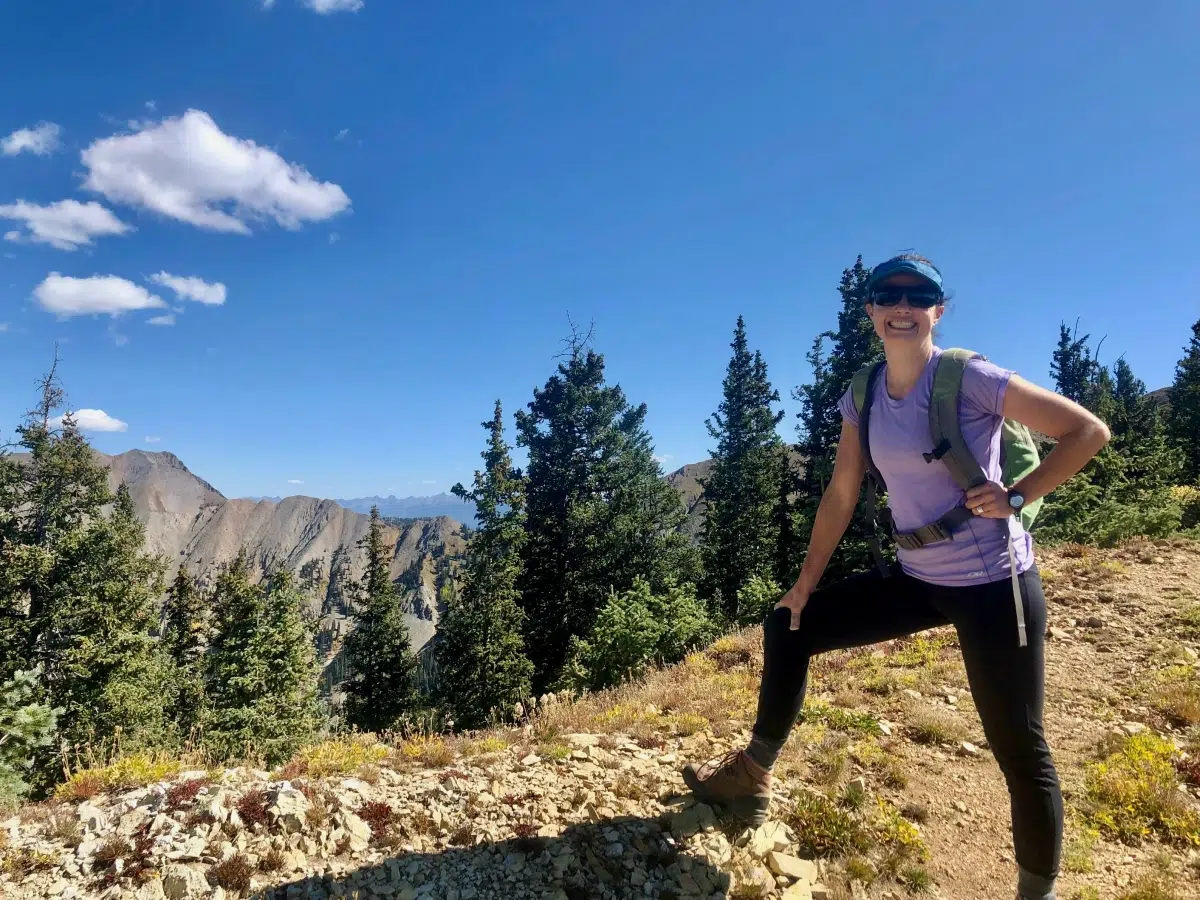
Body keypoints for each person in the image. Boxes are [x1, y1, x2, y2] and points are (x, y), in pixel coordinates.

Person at [681, 253, 1110, 900]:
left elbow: (1086, 431)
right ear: (871, 312)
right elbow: (841, 492)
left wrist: (1017, 497)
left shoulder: (971, 379)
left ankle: (1036, 893)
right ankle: (750, 779)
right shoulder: (863, 394)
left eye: (919, 296)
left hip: (996, 586)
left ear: (937, 310)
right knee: (789, 624)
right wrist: (804, 585)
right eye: (888, 296)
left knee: (1019, 749)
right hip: (919, 578)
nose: (902, 306)